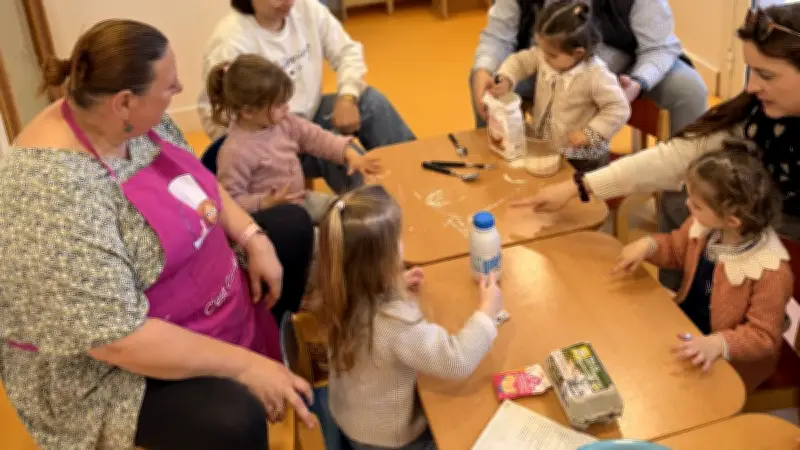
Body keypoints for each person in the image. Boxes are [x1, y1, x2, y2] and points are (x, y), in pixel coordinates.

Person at [0, 20, 318, 450]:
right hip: (114, 359)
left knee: (291, 227)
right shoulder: (53, 194)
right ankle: (256, 368)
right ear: (125, 102)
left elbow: (199, 183)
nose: (180, 90)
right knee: (232, 419)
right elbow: (118, 339)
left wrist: (252, 237)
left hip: (189, 291)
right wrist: (244, 369)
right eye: (170, 87)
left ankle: (269, 346)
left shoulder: (134, 122)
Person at [515, 4, 800, 288]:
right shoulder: (753, 116)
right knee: (678, 197)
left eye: (767, 75)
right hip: (751, 232)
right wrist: (577, 187)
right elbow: (673, 158)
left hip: (772, 247)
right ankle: (675, 294)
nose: (750, 87)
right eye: (751, 71)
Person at [316, 185, 503, 450]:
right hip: (385, 439)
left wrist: (395, 283)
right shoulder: (395, 324)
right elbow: (456, 360)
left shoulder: (339, 289)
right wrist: (487, 312)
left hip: (350, 415)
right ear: (380, 263)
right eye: (397, 241)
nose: (402, 245)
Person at [612, 148, 793, 392]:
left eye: (696, 205)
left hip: (730, 360)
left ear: (732, 221)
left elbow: (763, 337)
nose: (687, 205)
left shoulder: (771, 271)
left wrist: (718, 344)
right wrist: (650, 245)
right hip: (687, 326)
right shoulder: (704, 228)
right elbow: (677, 249)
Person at [199, 0, 415, 194]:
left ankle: (417, 172)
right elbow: (216, 113)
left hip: (309, 113)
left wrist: (347, 97)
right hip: (271, 135)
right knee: (345, 157)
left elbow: (348, 52)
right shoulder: (231, 41)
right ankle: (377, 212)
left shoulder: (308, 9)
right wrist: (274, 142)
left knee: (371, 102)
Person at [208, 54, 381, 223]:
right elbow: (230, 202)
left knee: (349, 213)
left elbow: (318, 138)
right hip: (272, 220)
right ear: (247, 112)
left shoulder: (285, 122)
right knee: (325, 240)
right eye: (278, 104)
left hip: (301, 201)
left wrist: (349, 153)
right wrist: (264, 202)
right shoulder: (235, 152)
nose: (287, 107)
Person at [491, 0, 630, 172]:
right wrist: (506, 78)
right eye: (541, 50)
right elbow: (521, 61)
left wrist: (589, 134)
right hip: (550, 147)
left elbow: (618, 108)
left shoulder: (596, 75)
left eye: (550, 55)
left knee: (582, 196)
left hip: (584, 157)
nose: (543, 57)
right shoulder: (547, 55)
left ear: (578, 53)